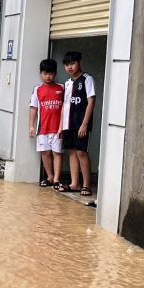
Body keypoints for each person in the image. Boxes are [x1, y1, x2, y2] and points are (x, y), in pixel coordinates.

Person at [59, 51, 97, 196]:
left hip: (80, 123)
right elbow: (65, 104)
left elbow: (91, 101)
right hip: (68, 124)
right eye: (67, 64)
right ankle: (74, 183)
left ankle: (86, 185)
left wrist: (84, 124)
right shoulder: (67, 83)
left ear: (80, 63)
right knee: (72, 152)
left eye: (72, 63)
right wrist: (61, 126)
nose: (70, 67)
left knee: (82, 152)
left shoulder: (87, 79)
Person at [28, 59, 64, 188]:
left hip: (57, 128)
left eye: (50, 73)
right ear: (40, 73)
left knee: (57, 153)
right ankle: (49, 177)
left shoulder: (62, 88)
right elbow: (33, 108)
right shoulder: (37, 90)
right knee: (45, 153)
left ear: (55, 73)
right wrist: (31, 125)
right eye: (45, 73)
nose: (47, 76)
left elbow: (66, 107)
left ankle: (57, 179)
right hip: (42, 128)